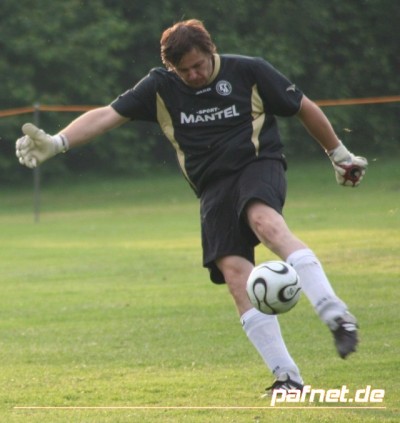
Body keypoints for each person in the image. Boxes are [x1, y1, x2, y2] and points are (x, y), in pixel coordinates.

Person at [16, 19, 367, 395]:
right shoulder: (160, 87)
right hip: (212, 187)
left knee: (265, 222)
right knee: (235, 273)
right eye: (183, 70)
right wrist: (58, 142)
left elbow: (303, 107)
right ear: (171, 67)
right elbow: (107, 115)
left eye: (198, 65)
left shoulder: (248, 71)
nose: (193, 75)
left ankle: (336, 316)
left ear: (211, 51)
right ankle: (288, 379)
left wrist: (339, 154)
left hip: (256, 164)